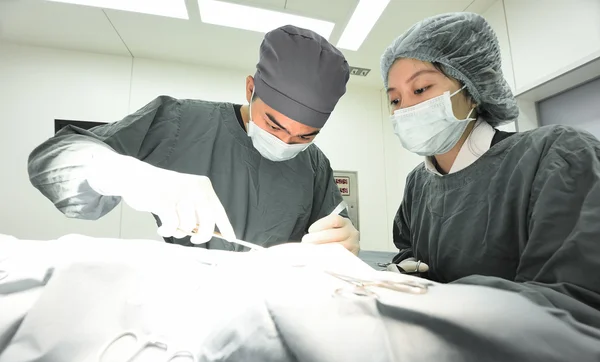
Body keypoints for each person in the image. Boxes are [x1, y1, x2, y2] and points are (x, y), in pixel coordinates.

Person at [27, 25, 360, 255]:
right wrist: (126, 174)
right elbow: (51, 161)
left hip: (276, 312)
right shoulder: (180, 121)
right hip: (187, 305)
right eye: (274, 124)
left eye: (305, 135)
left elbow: (334, 232)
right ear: (250, 90)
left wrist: (343, 241)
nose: (286, 142)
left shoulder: (314, 164)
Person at [381, 12, 600, 328]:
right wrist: (404, 275)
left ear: (470, 90)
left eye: (421, 89)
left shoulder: (557, 156)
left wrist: (442, 303)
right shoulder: (419, 183)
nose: (405, 110)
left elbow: (574, 303)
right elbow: (411, 254)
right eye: (394, 99)